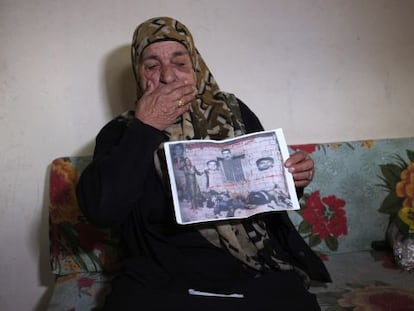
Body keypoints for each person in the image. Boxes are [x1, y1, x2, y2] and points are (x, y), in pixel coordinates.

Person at [76, 16, 330, 310]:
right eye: (152, 66)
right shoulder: (121, 133)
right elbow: (102, 209)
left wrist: (293, 177)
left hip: (250, 271)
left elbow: (266, 191)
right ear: (138, 73)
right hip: (160, 280)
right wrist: (146, 128)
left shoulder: (234, 114)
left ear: (195, 67)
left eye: (180, 63)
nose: (168, 76)